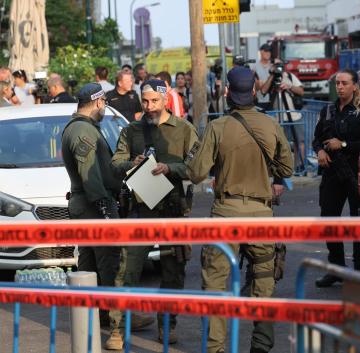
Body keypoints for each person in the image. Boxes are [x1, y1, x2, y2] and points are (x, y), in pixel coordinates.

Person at [186, 67, 293, 353]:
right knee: (264, 285)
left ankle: (217, 348)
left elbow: (196, 172)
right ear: (255, 91)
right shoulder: (271, 125)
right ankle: (260, 346)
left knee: (216, 285)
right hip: (262, 214)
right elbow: (287, 167)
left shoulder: (217, 127)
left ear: (226, 93)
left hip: (225, 215)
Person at [110, 79, 198, 350]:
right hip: (140, 209)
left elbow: (197, 166)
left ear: (166, 100)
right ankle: (117, 329)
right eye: (145, 101)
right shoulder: (132, 130)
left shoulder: (184, 130)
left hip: (173, 209)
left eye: (154, 101)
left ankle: (167, 323)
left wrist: (170, 169)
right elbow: (116, 163)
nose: (149, 106)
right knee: (127, 270)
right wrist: (131, 163)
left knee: (174, 271)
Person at [61, 82, 122, 350]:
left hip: (86, 205)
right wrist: (104, 206)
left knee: (90, 264)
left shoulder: (79, 128)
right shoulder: (83, 131)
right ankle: (113, 318)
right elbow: (90, 175)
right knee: (107, 262)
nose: (106, 107)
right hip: (93, 205)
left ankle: (95, 313)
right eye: (105, 103)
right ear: (98, 102)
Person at [312, 69, 360, 288]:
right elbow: (317, 139)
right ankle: (335, 268)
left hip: (355, 173)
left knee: (358, 222)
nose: (340, 87)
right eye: (337, 83)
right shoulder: (328, 110)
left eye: (345, 83)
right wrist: (320, 151)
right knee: (329, 220)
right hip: (332, 173)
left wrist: (343, 144)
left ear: (355, 86)